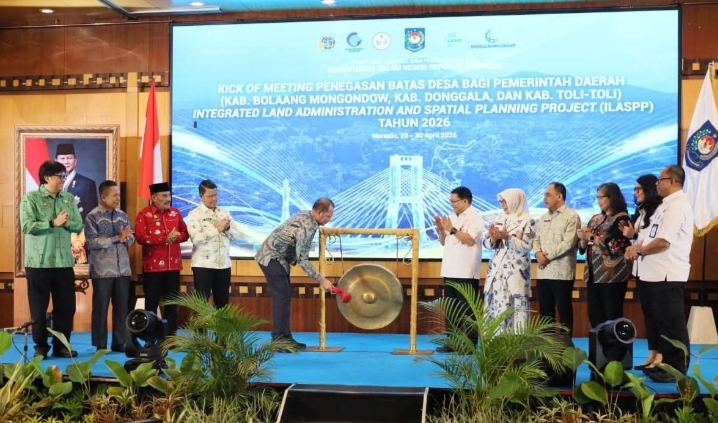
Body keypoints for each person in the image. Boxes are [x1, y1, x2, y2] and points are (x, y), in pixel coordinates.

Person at [625, 165, 693, 383]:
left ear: (672, 181)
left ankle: (676, 369)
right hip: (654, 273)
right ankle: (665, 364)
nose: (657, 184)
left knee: (672, 323)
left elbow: (663, 242)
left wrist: (639, 250)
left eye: (660, 180)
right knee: (662, 323)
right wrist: (636, 246)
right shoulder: (665, 205)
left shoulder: (678, 206)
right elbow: (650, 236)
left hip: (668, 273)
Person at [20, 160, 83, 358]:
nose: (63, 179)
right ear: (47, 177)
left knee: (66, 307)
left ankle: (61, 345)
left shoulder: (68, 198)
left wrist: (67, 224)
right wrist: (52, 223)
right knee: (38, 308)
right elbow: (27, 226)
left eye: (64, 176)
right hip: (39, 263)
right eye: (60, 176)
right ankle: (41, 346)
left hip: (63, 262)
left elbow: (78, 224)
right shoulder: (31, 198)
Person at [255, 198, 336, 352]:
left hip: (278, 259)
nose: (329, 220)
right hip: (271, 258)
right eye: (328, 216)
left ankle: (286, 338)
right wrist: (321, 279)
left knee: (285, 297)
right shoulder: (308, 226)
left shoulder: (307, 215)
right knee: (281, 298)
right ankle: (279, 340)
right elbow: (302, 260)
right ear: (319, 212)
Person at [84, 180, 134, 352]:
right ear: (104, 197)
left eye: (118, 195)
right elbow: (92, 242)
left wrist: (127, 238)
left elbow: (131, 238)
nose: (118, 198)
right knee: (101, 309)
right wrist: (116, 238)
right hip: (102, 270)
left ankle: (120, 342)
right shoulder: (92, 216)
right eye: (115, 196)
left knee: (122, 308)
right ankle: (100, 344)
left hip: (123, 269)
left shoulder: (122, 215)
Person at [619, 174, 662, 370]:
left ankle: (661, 355)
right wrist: (631, 236)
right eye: (634, 189)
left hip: (656, 270)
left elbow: (655, 240)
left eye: (639, 189)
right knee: (649, 313)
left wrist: (634, 237)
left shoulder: (659, 211)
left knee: (659, 314)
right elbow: (638, 237)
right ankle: (652, 353)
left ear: (649, 189)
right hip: (641, 270)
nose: (635, 193)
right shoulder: (640, 212)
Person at [433, 186, 484, 353]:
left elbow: (470, 240)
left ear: (465, 200)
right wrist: (441, 230)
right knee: (451, 308)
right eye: (451, 201)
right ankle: (452, 342)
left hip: (466, 270)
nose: (452, 204)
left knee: (467, 310)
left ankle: (470, 345)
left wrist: (452, 229)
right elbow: (443, 242)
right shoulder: (451, 217)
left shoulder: (475, 217)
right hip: (449, 268)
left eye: (454, 201)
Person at [134, 182, 189, 335]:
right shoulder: (144, 214)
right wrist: (163, 239)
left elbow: (185, 233)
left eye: (169, 195)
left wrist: (177, 237)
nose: (168, 199)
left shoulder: (175, 213)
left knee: (172, 303)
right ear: (154, 198)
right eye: (164, 196)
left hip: (173, 266)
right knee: (151, 304)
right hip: (153, 268)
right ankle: (150, 337)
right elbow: (140, 237)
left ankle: (171, 337)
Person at [577, 182, 632, 329]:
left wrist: (591, 237)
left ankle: (613, 344)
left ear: (611, 197)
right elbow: (582, 248)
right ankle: (598, 343)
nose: (598, 201)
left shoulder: (621, 219)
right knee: (595, 315)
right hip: (593, 274)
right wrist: (583, 238)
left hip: (612, 276)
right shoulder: (596, 218)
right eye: (597, 197)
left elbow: (616, 247)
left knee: (612, 315)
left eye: (601, 197)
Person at [483, 188, 536, 332]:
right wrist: (492, 239)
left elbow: (526, 246)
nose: (502, 205)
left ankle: (516, 342)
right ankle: (495, 341)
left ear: (515, 200)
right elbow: (486, 244)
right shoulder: (498, 219)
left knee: (516, 307)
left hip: (516, 271)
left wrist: (507, 237)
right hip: (497, 270)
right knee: (497, 306)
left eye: (505, 201)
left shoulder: (528, 221)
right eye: (500, 202)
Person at [533, 182, 581, 336]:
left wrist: (546, 257)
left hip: (562, 272)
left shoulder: (571, 216)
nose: (544, 198)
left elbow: (568, 243)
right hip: (543, 272)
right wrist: (537, 254)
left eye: (548, 195)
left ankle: (565, 346)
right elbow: (536, 239)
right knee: (545, 313)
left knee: (564, 311)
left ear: (559, 196)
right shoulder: (543, 217)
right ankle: (548, 347)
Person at [186, 179, 242, 308]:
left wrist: (227, 228)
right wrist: (216, 230)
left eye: (215, 195)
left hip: (223, 264)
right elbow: (196, 239)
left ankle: (221, 323)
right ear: (201, 196)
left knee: (223, 304)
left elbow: (236, 236)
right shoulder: (194, 214)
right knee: (201, 305)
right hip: (203, 265)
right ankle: (201, 324)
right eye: (210, 196)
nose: (214, 199)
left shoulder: (224, 212)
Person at [55, 143, 98, 221]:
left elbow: (91, 217)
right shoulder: (49, 183)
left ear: (75, 161)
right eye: (62, 158)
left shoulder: (87, 184)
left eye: (69, 158)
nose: (66, 162)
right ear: (56, 161)